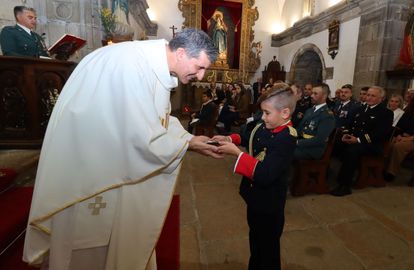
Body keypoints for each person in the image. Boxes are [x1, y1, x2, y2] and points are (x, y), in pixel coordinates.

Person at [23, 28, 220, 270]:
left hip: (107, 161)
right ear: (181, 53)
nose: (200, 77)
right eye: (200, 67)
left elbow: (157, 120)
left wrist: (188, 140)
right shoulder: (132, 66)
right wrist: (184, 143)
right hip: (92, 173)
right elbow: (141, 137)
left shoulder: (150, 65)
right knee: (88, 245)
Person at [212, 83, 297, 270]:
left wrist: (237, 154)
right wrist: (229, 139)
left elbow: (266, 174)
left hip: (270, 203)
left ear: (285, 113)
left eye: (267, 113)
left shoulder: (287, 137)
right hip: (255, 198)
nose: (263, 117)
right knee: (256, 242)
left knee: (268, 251)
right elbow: (248, 136)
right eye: (263, 112)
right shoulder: (265, 126)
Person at [330, 86, 393, 196]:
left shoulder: (385, 113)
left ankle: (345, 185)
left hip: (372, 145)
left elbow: (380, 134)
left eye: (373, 96)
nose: (368, 97)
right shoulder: (360, 109)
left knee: (352, 151)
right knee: (335, 144)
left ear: (381, 99)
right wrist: (346, 135)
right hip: (356, 141)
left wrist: (358, 140)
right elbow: (349, 126)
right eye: (368, 95)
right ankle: (327, 174)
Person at [294, 83, 336, 159]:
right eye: (312, 93)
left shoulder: (327, 115)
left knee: (284, 152)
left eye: (315, 94)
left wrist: (297, 142)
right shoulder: (309, 110)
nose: (311, 96)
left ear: (324, 96)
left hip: (313, 150)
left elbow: (319, 140)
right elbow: (300, 129)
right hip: (303, 144)